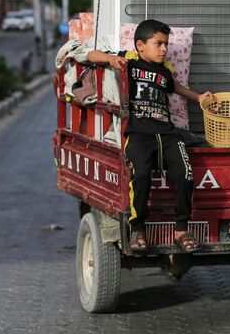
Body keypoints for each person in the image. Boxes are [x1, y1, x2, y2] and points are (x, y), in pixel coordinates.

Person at [86, 19, 214, 253]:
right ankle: (138, 229)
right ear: (141, 45)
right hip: (139, 133)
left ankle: (181, 230)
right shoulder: (130, 61)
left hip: (167, 132)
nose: (164, 49)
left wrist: (197, 97)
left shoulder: (165, 70)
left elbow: (174, 87)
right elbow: (92, 55)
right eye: (159, 44)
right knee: (141, 174)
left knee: (185, 173)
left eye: (166, 44)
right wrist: (111, 59)